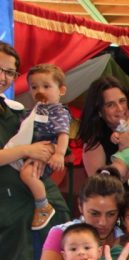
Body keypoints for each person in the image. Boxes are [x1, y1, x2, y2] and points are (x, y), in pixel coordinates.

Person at [0, 42, 69, 260]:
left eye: (10, 72)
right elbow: (24, 148)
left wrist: (46, 154)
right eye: (1, 69)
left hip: (44, 211)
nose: (5, 76)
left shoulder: (18, 111)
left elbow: (52, 141)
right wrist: (25, 151)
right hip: (6, 220)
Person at [7, 64, 70, 230]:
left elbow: (63, 134)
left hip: (43, 156)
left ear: (61, 90)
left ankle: (43, 205)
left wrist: (57, 153)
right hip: (26, 158)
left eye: (46, 86)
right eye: (34, 87)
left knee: (28, 174)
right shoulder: (34, 110)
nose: (39, 91)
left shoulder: (57, 111)